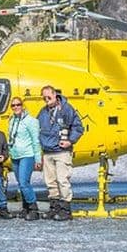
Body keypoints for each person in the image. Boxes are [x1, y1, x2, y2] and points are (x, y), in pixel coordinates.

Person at [36, 85, 84, 221]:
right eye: (44, 98)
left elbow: (78, 127)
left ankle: (65, 209)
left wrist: (70, 141)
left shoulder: (67, 109)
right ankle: (54, 207)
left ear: (55, 94)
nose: (46, 100)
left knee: (62, 180)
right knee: (50, 181)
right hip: (47, 151)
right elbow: (37, 128)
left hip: (61, 152)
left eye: (48, 97)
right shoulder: (43, 112)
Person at [8, 97, 42, 221]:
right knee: (20, 183)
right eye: (13, 105)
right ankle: (25, 207)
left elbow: (35, 141)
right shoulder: (12, 120)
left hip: (27, 155)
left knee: (24, 183)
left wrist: (38, 159)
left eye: (18, 104)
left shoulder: (31, 121)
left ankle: (33, 208)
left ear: (23, 106)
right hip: (15, 155)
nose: (16, 107)